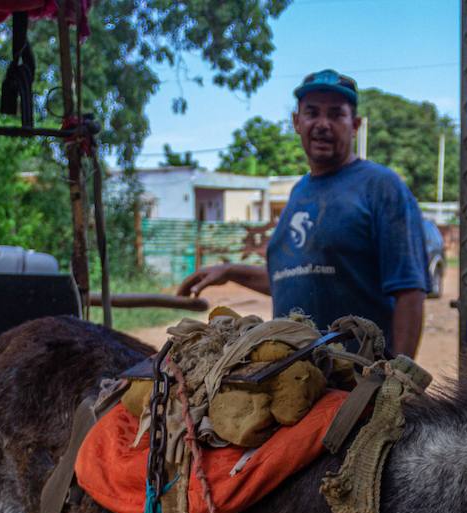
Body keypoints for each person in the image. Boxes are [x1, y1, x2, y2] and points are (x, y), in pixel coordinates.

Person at [177, 69, 429, 357]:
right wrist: (230, 271)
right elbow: (292, 280)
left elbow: (409, 291)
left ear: (355, 124)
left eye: (336, 114)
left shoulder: (381, 186)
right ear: (297, 122)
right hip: (294, 374)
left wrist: (399, 376)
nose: (323, 124)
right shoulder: (299, 192)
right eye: (312, 113)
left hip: (359, 380)